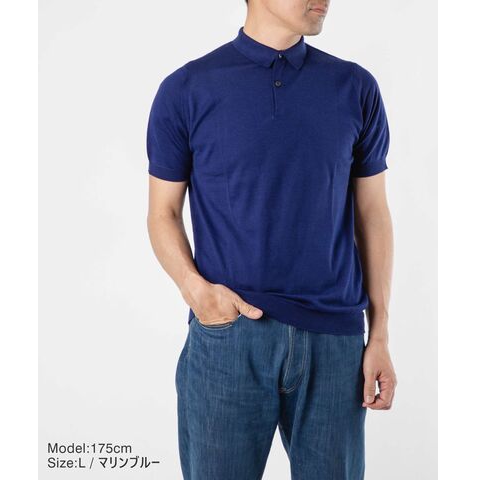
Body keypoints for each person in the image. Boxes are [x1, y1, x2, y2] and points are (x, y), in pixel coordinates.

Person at [146, 1, 397, 478]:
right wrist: (197, 292)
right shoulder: (187, 89)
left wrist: (379, 333)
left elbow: (373, 213)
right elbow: (163, 213)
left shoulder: (354, 86)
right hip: (229, 337)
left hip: (335, 342)